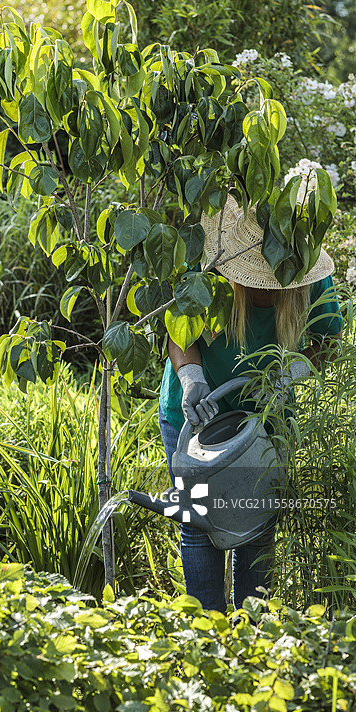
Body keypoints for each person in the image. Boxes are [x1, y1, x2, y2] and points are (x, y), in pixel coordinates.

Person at [159, 197, 343, 613]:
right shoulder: (210, 264)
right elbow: (178, 329)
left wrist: (288, 374)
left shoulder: (310, 270)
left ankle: (253, 637)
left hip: (268, 419)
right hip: (195, 413)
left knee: (255, 526)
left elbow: (327, 340)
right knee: (199, 521)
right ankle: (208, 635)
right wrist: (191, 378)